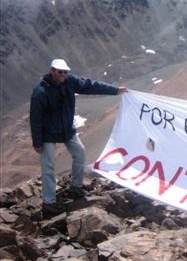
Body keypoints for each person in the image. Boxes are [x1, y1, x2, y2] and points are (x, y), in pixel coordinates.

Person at [30, 58, 127, 217]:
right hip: (48, 133)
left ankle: (76, 186)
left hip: (67, 129)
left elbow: (90, 86)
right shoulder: (40, 92)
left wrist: (115, 90)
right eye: (59, 72)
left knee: (80, 153)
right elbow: (36, 119)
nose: (63, 75)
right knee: (48, 167)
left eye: (65, 72)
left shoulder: (70, 81)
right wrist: (37, 142)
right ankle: (49, 203)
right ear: (52, 71)